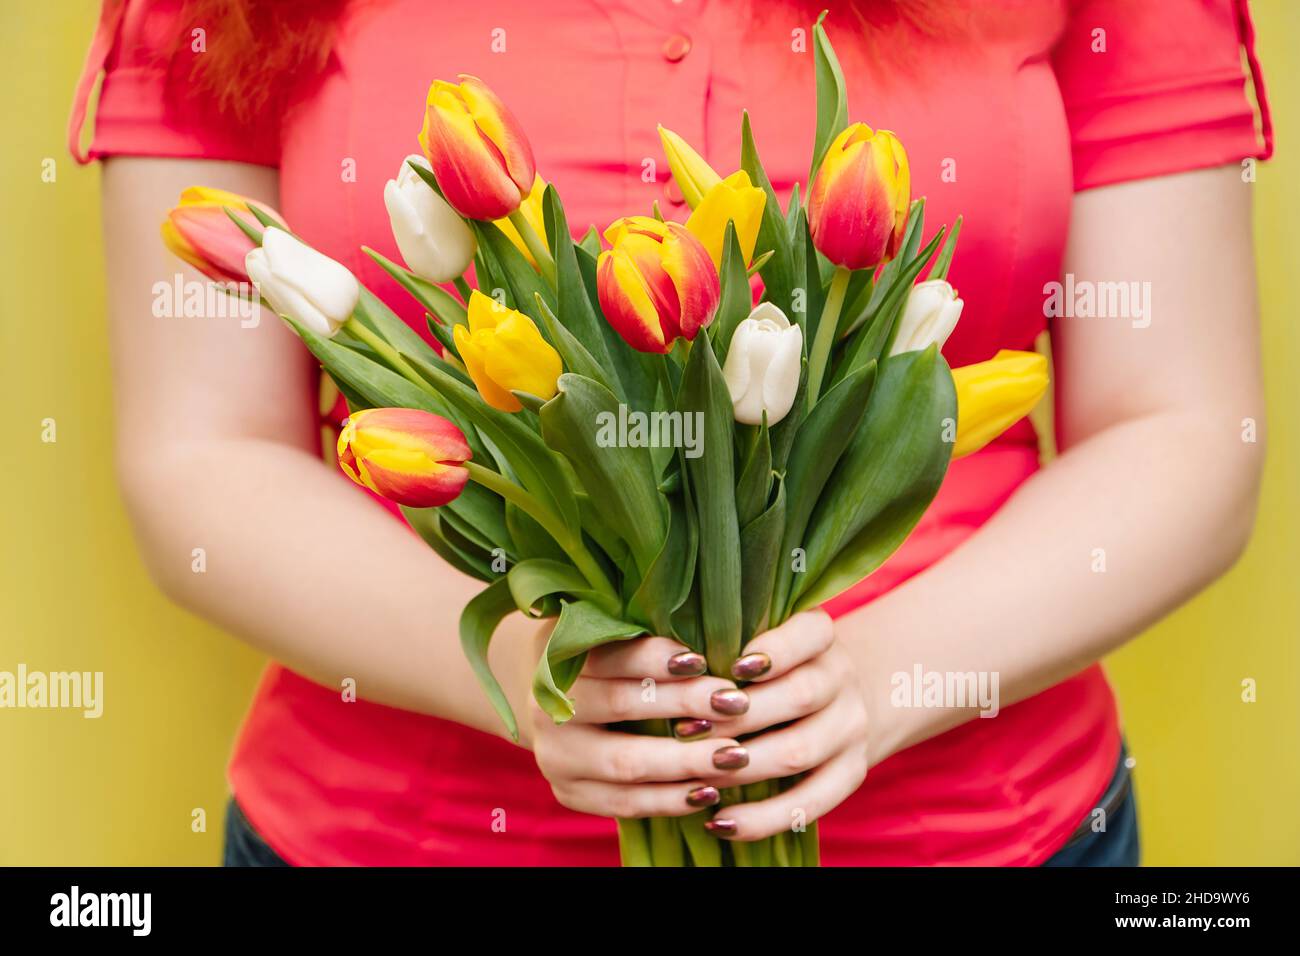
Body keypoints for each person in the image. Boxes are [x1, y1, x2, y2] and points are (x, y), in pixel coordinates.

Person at [70, 0, 1272, 865]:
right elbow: (201, 454)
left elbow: (1184, 425)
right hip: (387, 836)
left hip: (987, 834)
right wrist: (515, 670)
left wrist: (879, 678)